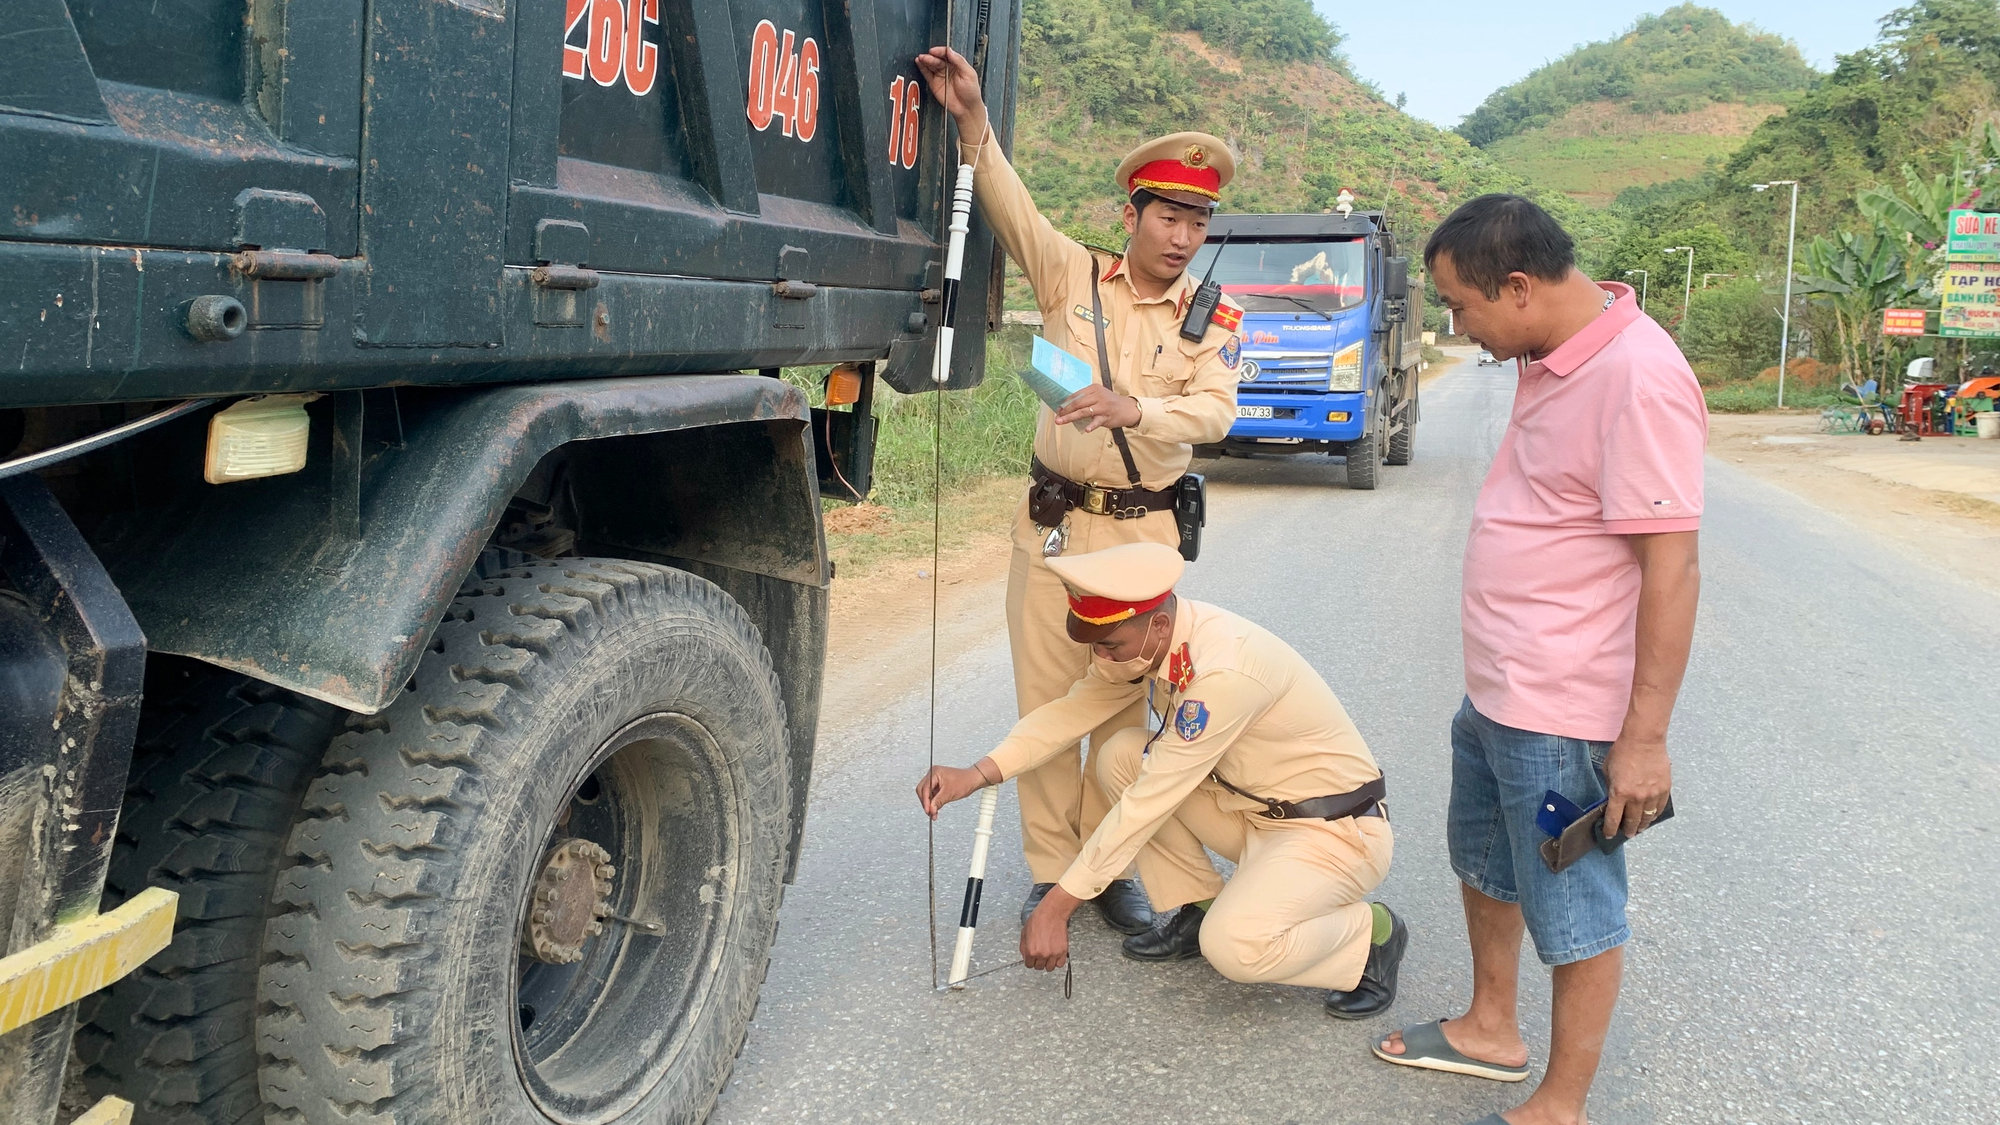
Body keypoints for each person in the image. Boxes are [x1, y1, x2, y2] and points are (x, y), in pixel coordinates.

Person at [1376, 194, 1703, 1125]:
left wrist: (1644, 738)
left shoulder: (1640, 376)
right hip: (1499, 694)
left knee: (1576, 902)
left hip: (1567, 719)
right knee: (1484, 861)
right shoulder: (1550, 350)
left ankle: (1561, 1106)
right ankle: (1489, 1025)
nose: (1456, 326)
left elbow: (1672, 569)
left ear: (1517, 288)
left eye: (1461, 308)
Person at [915, 47, 1241, 935]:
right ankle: (1052, 868)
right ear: (1131, 213)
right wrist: (972, 119)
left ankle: (1111, 867)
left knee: (1121, 706)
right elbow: (1010, 206)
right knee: (1049, 703)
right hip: (1054, 528)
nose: (1181, 237)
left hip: (1142, 538)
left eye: (1197, 222)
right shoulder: (1071, 275)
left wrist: (1138, 408)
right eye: (1168, 215)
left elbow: (1216, 412)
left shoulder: (1213, 321)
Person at [915, 543, 1406, 1017]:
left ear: (1160, 625)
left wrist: (1059, 905)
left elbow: (1149, 802)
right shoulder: (1150, 643)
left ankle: (1371, 937)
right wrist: (978, 773)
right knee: (1123, 755)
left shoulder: (1223, 671)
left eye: (1110, 646)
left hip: (1334, 834)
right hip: (1256, 817)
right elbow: (1070, 713)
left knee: (1235, 948)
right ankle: (1201, 905)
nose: (1102, 659)